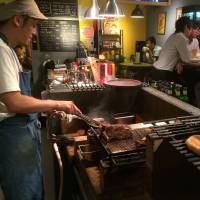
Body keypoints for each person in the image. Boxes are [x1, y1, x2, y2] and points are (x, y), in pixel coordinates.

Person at [0, 1, 81, 200]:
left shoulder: (7, 49)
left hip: (19, 130)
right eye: (33, 25)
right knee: (24, 193)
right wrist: (58, 103)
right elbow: (14, 102)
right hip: (13, 134)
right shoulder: (1, 50)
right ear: (17, 20)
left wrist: (42, 108)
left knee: (32, 189)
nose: (35, 32)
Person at [150, 16, 192, 82]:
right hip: (164, 73)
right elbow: (187, 60)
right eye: (191, 28)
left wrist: (179, 62)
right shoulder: (182, 38)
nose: (190, 31)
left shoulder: (173, 36)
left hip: (155, 70)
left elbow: (175, 53)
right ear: (186, 26)